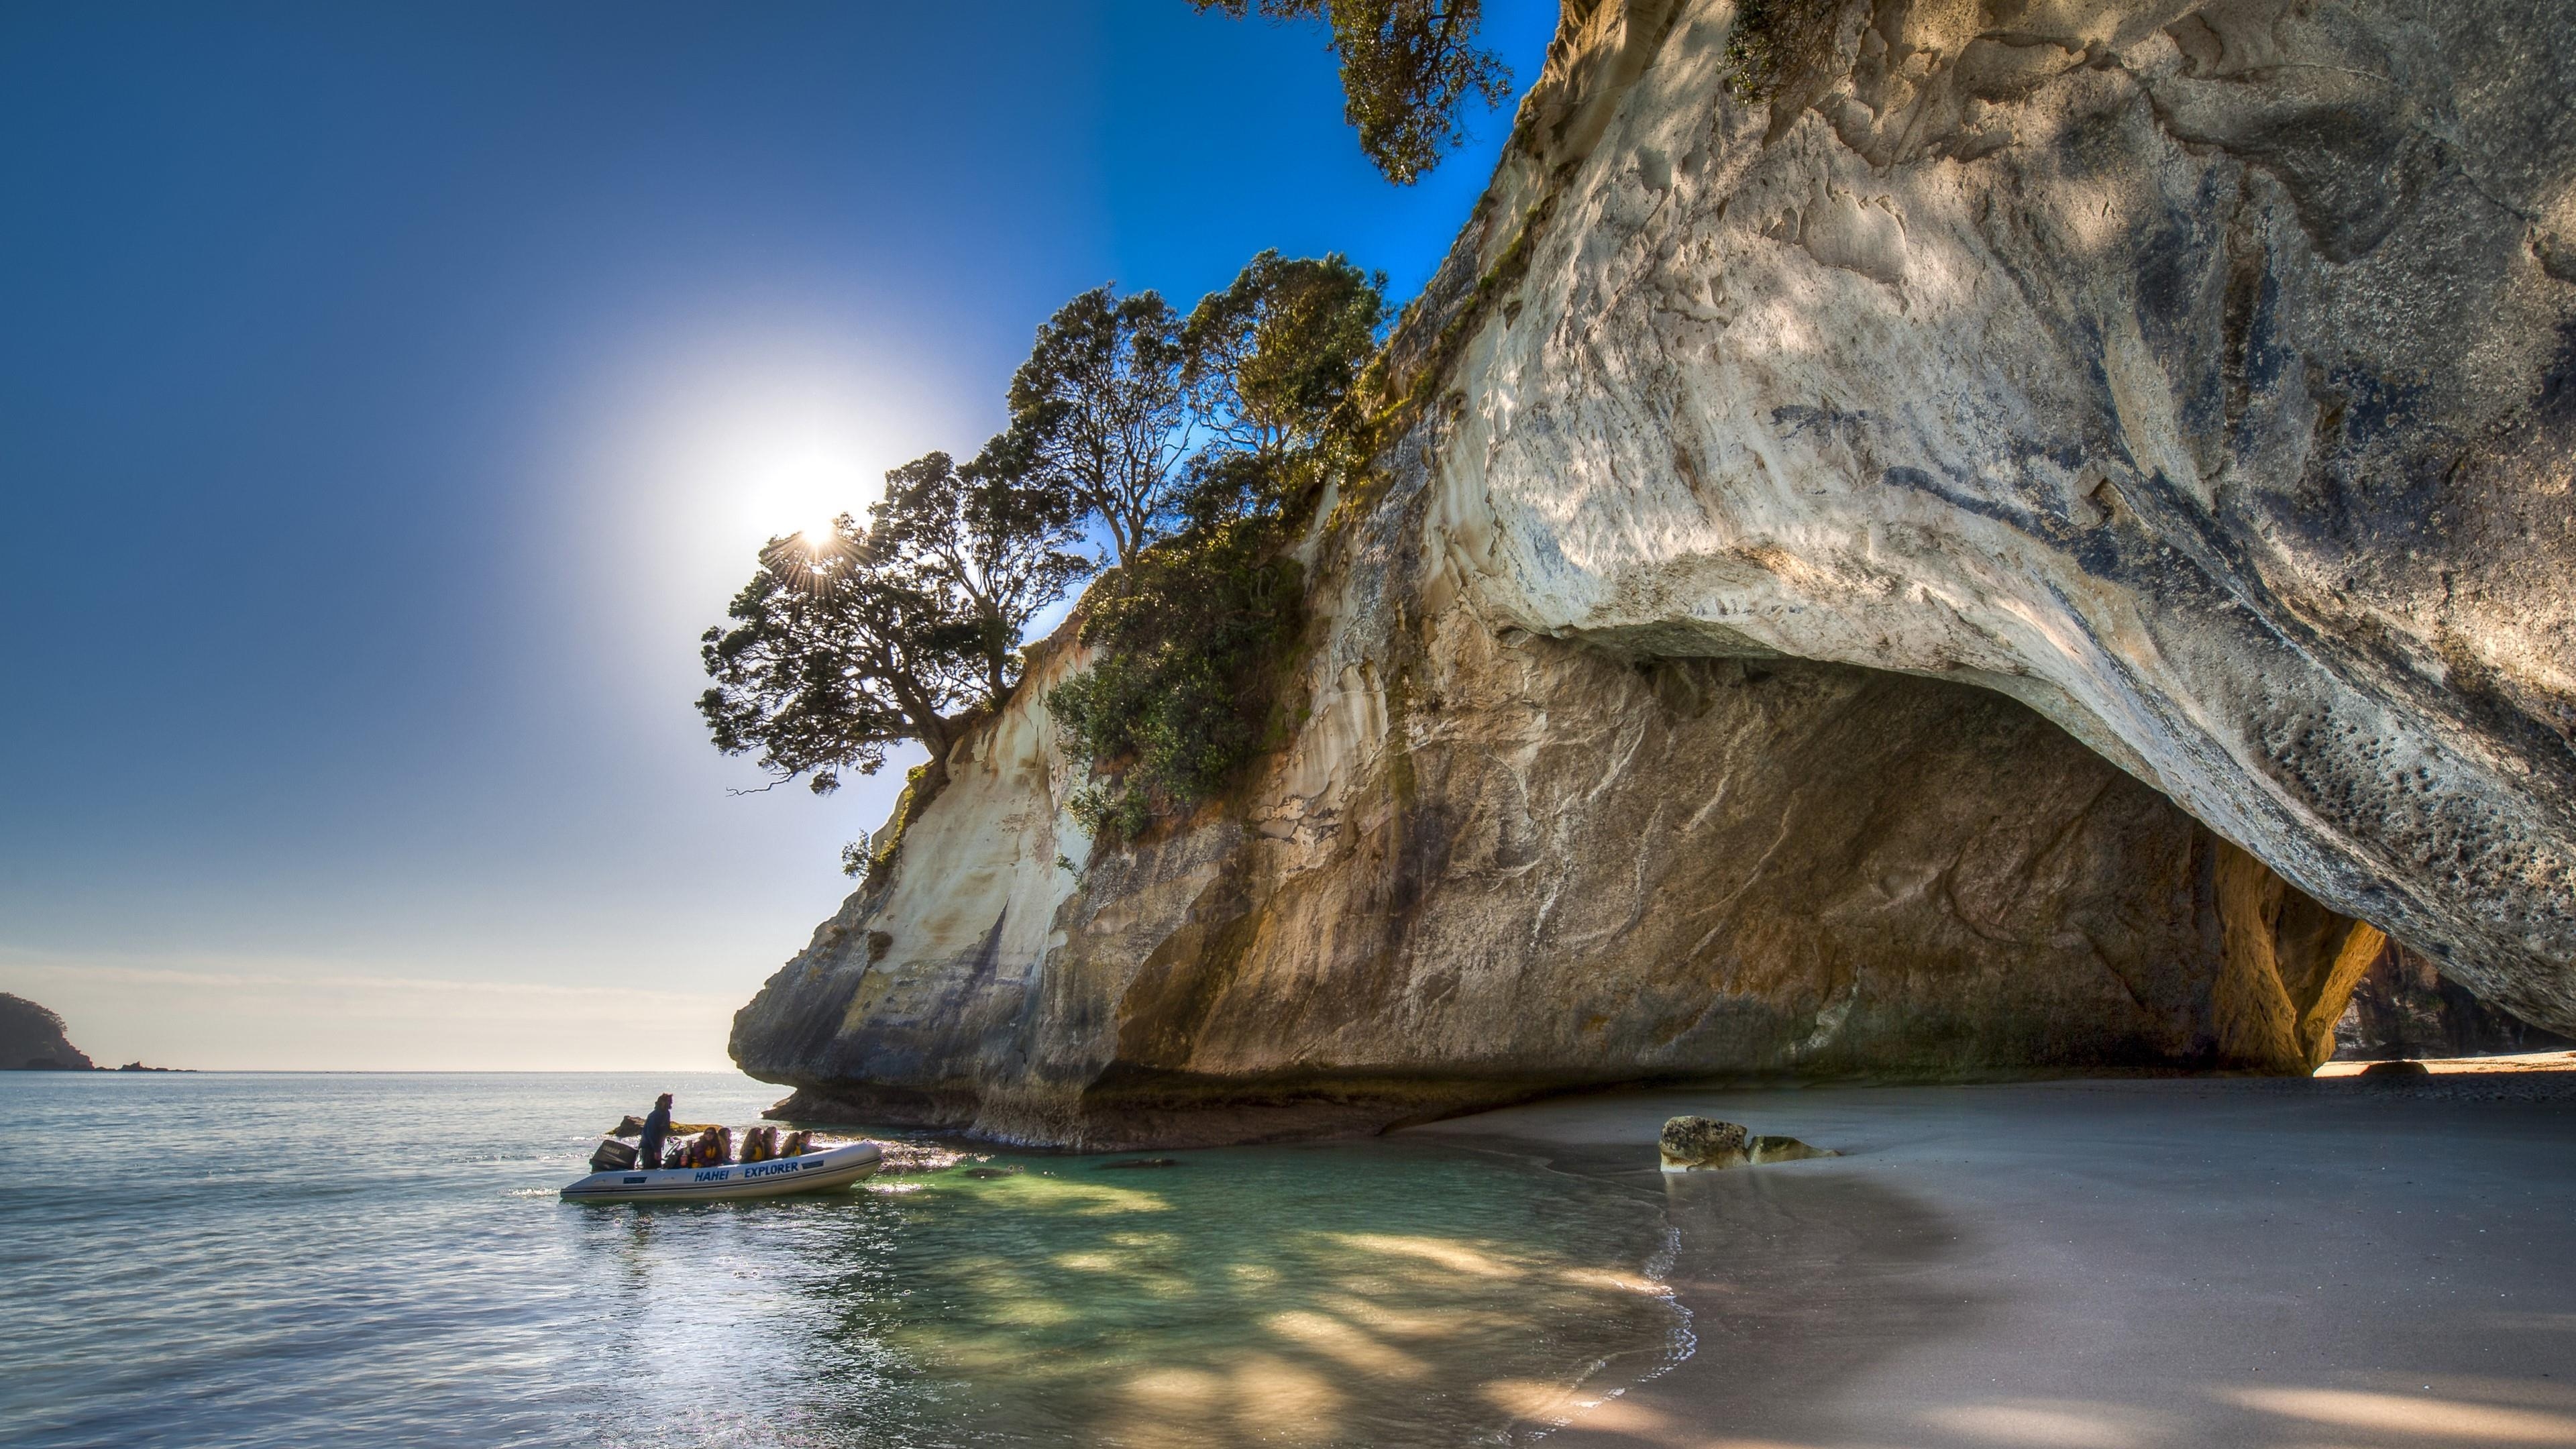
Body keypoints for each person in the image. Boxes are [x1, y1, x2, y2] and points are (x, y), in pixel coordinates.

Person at [637, 1093, 674, 1170]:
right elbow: (652, 1134)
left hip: (657, 1146)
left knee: (657, 1167)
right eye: (669, 1101)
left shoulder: (666, 1113)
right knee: (650, 1168)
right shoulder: (655, 1115)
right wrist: (656, 1150)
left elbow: (665, 1130)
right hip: (648, 1147)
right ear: (662, 1102)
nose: (671, 1103)